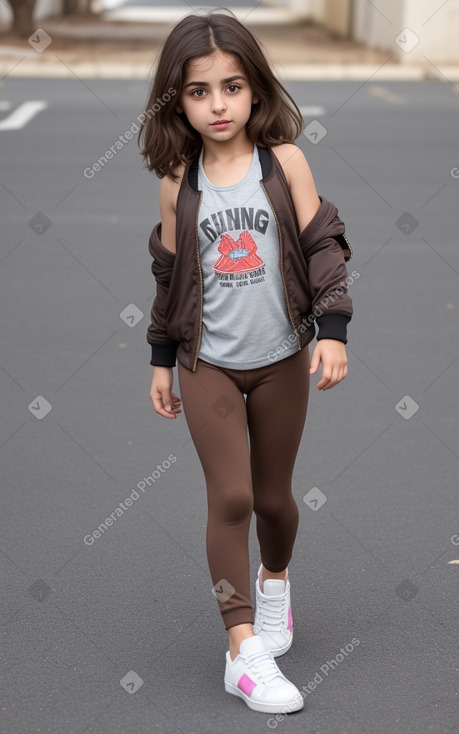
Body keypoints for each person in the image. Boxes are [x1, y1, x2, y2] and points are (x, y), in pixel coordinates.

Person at [137, 9, 354, 715]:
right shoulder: (180, 182)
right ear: (179, 101)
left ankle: (275, 583)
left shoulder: (283, 161)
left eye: (231, 86)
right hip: (210, 365)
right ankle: (242, 652)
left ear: (255, 89)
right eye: (199, 92)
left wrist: (332, 327)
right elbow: (168, 276)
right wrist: (161, 359)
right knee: (228, 499)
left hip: (282, 356)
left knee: (271, 501)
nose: (218, 104)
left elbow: (323, 241)